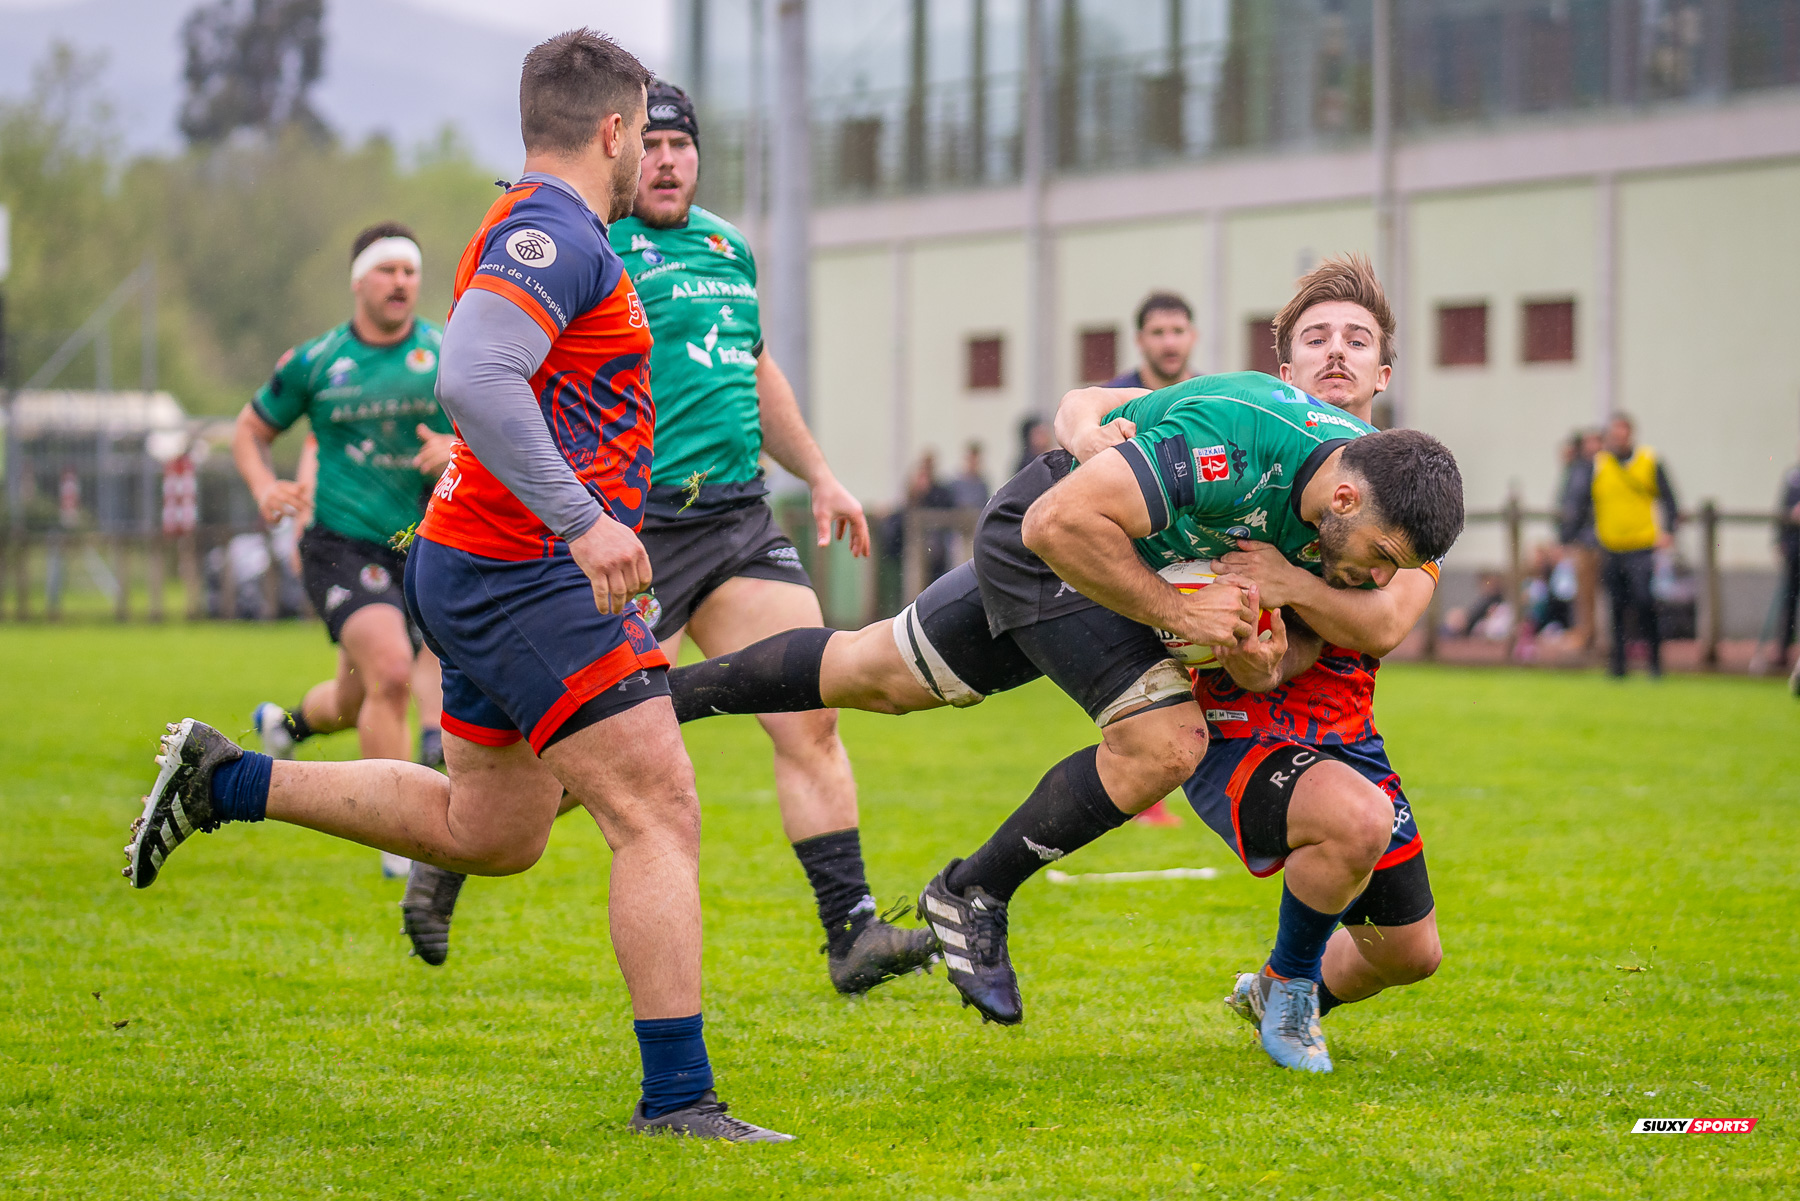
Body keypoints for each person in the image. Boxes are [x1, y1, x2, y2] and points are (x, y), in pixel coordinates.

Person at [126, 29, 789, 1142]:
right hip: (524, 571)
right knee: (659, 810)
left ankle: (227, 780)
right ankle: (680, 1100)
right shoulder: (550, 228)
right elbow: (473, 375)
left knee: (493, 830)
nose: (648, 159)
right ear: (616, 129)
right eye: (644, 134)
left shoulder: (557, 225)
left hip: (482, 566)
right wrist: (582, 521)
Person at [669, 369, 1465, 1028]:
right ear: (1352, 500)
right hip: (1045, 539)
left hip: (1098, 565)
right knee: (1167, 741)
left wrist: (1255, 655)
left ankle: (658, 693)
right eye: (1383, 557)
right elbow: (1059, 519)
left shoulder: (1334, 517)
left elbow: (1283, 658)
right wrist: (1179, 610)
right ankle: (971, 891)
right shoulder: (1244, 437)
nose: (1376, 576)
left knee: (871, 671)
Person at [401, 79, 936, 995]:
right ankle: (459, 835)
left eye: (681, 145)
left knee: (809, 715)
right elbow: (505, 361)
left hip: (737, 517)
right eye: (651, 144)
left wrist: (823, 474)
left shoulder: (728, 247)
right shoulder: (594, 244)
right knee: (602, 751)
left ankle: (850, 932)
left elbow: (755, 368)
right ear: (621, 149)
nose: (666, 160)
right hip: (633, 526)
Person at [1064, 254, 1447, 1074]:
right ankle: (1294, 985)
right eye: (1316, 338)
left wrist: (1289, 581)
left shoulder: (1406, 488)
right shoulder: (1241, 417)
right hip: (1239, 720)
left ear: (1384, 370)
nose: (1335, 352)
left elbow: (1382, 623)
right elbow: (1089, 400)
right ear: (1287, 368)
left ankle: (1274, 981)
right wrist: (1084, 432)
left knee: (1410, 953)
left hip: (1346, 729)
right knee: (1353, 821)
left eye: (1357, 339)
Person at [231, 222, 457, 878]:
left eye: (410, 271)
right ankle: (398, 840)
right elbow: (249, 431)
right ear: (359, 280)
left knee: (355, 696)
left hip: (425, 540)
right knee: (391, 670)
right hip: (339, 541)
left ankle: (290, 726)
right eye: (387, 270)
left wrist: (457, 448)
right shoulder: (316, 361)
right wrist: (264, 483)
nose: (400, 282)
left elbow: (501, 427)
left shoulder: (446, 354)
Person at [1571, 413, 1678, 677]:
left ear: (1631, 435)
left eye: (1623, 434)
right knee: (1616, 606)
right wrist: (1581, 535)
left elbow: (1670, 498)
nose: (1619, 440)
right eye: (1614, 435)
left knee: (1644, 601)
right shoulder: (1598, 465)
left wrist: (1669, 531)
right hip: (1611, 545)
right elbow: (1580, 502)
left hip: (1641, 544)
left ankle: (1654, 663)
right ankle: (1618, 667)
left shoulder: (1649, 461)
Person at [1556, 428, 1602, 652]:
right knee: (1585, 592)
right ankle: (1588, 634)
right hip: (1587, 539)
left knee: (1587, 592)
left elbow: (1574, 507)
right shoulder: (1579, 470)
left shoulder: (1583, 470)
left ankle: (1587, 635)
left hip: (1589, 541)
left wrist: (1567, 537)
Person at [1105, 291, 1197, 390]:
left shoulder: (1210, 396)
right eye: (1157, 332)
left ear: (1193, 336)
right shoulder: (1116, 399)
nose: (1169, 343)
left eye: (1178, 331)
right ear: (1140, 340)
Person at [1774, 446, 1800, 677]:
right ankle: (1783, 650)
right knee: (1789, 601)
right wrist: (1779, 539)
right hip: (1794, 547)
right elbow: (1782, 508)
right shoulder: (1792, 476)